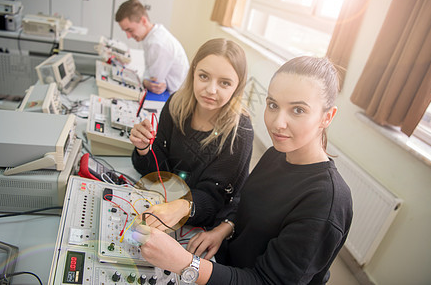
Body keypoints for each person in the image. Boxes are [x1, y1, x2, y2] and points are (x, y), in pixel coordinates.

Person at [131, 56, 353, 284]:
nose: (278, 123)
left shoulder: (327, 202)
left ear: (327, 117)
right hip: (223, 263)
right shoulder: (278, 153)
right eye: (273, 105)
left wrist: (186, 264)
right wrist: (225, 228)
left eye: (298, 110)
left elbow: (266, 281)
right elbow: (243, 200)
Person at [129, 38, 254, 232]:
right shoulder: (175, 104)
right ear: (193, 73)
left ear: (237, 86)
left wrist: (182, 206)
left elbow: (215, 200)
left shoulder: (240, 131)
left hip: (201, 224)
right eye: (204, 76)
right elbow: (158, 171)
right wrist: (144, 149)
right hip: (164, 203)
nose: (211, 90)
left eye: (225, 83)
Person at [115, 0, 189, 94]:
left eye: (130, 30)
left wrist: (144, 81)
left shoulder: (157, 43)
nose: (128, 36)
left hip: (174, 95)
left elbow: (154, 83)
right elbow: (149, 72)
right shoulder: (152, 34)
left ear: (143, 21)